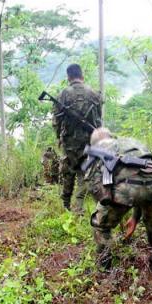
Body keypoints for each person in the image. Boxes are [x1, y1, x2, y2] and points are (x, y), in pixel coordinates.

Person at [83, 128, 152, 271]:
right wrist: (135, 218)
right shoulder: (132, 142)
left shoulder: (98, 149)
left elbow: (93, 183)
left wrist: (105, 207)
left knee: (100, 224)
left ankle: (104, 266)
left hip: (127, 187)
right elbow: (144, 175)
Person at [52, 63, 102, 213]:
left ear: (68, 77)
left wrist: (59, 138)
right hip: (90, 142)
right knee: (86, 173)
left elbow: (56, 121)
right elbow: (99, 120)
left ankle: (67, 206)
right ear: (82, 76)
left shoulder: (63, 94)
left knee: (68, 172)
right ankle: (81, 207)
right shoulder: (94, 94)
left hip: (69, 143)